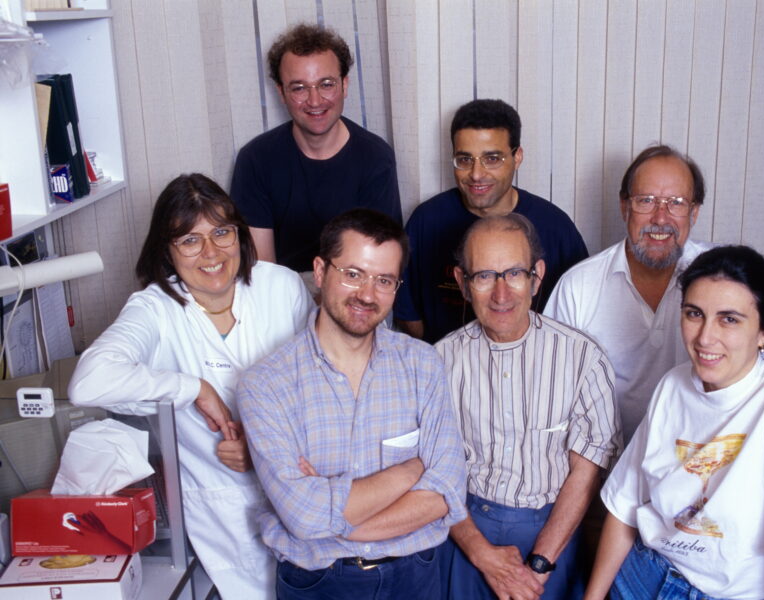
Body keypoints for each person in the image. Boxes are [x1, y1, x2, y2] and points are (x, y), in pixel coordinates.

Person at [68, 173, 314, 599]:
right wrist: (193, 387)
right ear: (167, 249)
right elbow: (87, 383)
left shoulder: (280, 287)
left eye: (222, 232)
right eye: (189, 240)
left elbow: (320, 386)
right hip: (223, 516)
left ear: (240, 234)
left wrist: (263, 449)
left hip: (301, 490)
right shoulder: (155, 309)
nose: (211, 252)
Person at [585, 245, 764, 600]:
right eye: (694, 314)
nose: (705, 338)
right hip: (642, 576)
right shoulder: (673, 385)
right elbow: (625, 508)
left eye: (729, 319)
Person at [236, 208, 467, 600]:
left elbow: (445, 492)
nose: (367, 294)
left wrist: (329, 513)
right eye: (353, 274)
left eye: (384, 280)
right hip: (319, 583)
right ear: (321, 271)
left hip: (417, 576)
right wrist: (410, 470)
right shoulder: (265, 384)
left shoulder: (424, 364)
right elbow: (302, 517)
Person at [435, 214, 621, 600]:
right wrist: (481, 554)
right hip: (464, 533)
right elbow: (435, 474)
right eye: (484, 276)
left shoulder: (583, 358)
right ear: (462, 283)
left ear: (536, 276)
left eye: (514, 273)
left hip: (553, 536)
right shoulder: (437, 362)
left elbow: (585, 475)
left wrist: (538, 566)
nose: (501, 294)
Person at [544, 145, 714, 443]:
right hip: (600, 464)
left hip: (697, 466)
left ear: (694, 212)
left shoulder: (726, 281)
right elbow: (549, 397)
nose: (661, 218)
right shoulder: (578, 287)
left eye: (676, 202)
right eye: (646, 200)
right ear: (624, 207)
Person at [395, 99, 588, 344]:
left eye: (492, 159)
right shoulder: (425, 221)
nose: (476, 174)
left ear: (517, 157)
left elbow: (578, 315)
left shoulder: (555, 227)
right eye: (464, 160)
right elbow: (408, 313)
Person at [230, 23, 401, 275]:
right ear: (282, 92)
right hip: (283, 290)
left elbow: (378, 263)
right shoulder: (255, 159)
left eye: (326, 84)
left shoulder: (376, 157)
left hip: (352, 285)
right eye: (299, 88)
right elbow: (262, 272)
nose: (314, 101)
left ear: (345, 85)